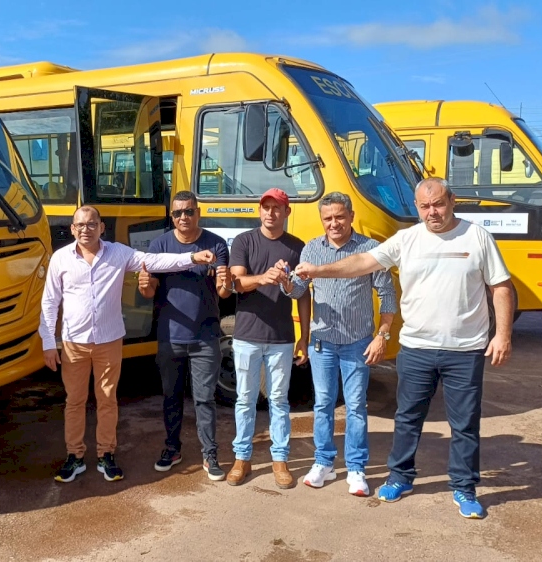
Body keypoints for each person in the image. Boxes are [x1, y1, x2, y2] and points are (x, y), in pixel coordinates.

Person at [294, 178, 514, 519]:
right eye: (425, 206)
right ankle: (400, 478)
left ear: (452, 201)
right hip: (417, 347)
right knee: (408, 419)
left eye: (438, 204)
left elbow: (501, 287)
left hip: (465, 349)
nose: (432, 212)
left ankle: (464, 488)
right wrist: (318, 271)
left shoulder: (477, 237)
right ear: (417, 207)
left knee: (465, 424)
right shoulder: (406, 239)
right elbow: (361, 263)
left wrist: (503, 335)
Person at [40, 206, 216, 483]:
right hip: (74, 343)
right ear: (72, 229)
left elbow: (154, 261)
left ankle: (106, 454)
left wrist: (192, 257)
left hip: (109, 340)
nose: (86, 230)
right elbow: (50, 302)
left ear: (101, 227)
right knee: (74, 401)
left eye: (91, 224)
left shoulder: (118, 253)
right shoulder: (61, 258)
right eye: (80, 225)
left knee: (107, 400)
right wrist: (49, 342)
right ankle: (74, 456)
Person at [290, 192, 398, 497]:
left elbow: (387, 295)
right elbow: (298, 291)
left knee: (356, 407)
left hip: (357, 343)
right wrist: (287, 282)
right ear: (321, 220)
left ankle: (356, 468)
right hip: (322, 342)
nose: (334, 223)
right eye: (328, 218)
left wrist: (382, 335)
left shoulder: (370, 249)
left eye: (339, 216)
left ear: (351, 216)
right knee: (323, 404)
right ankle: (324, 462)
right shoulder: (312, 248)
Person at [138, 191, 232, 481]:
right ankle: (172, 449)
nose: (183, 217)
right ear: (172, 216)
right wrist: (144, 284)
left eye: (189, 211)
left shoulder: (216, 244)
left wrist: (226, 282)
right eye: (178, 213)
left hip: (206, 336)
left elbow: (223, 293)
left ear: (198, 213)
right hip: (170, 336)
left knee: (204, 399)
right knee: (171, 397)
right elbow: (149, 292)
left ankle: (210, 454)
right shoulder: (160, 245)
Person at [226, 188, 308, 490]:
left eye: (277, 208)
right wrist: (262, 278)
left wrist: (304, 337)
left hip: (282, 338)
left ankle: (280, 460)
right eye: (266, 207)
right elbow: (236, 283)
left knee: (279, 401)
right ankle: (242, 458)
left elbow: (303, 295)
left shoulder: (297, 247)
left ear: (287, 212)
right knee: (245, 400)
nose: (270, 213)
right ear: (259, 211)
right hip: (247, 336)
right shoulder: (244, 241)